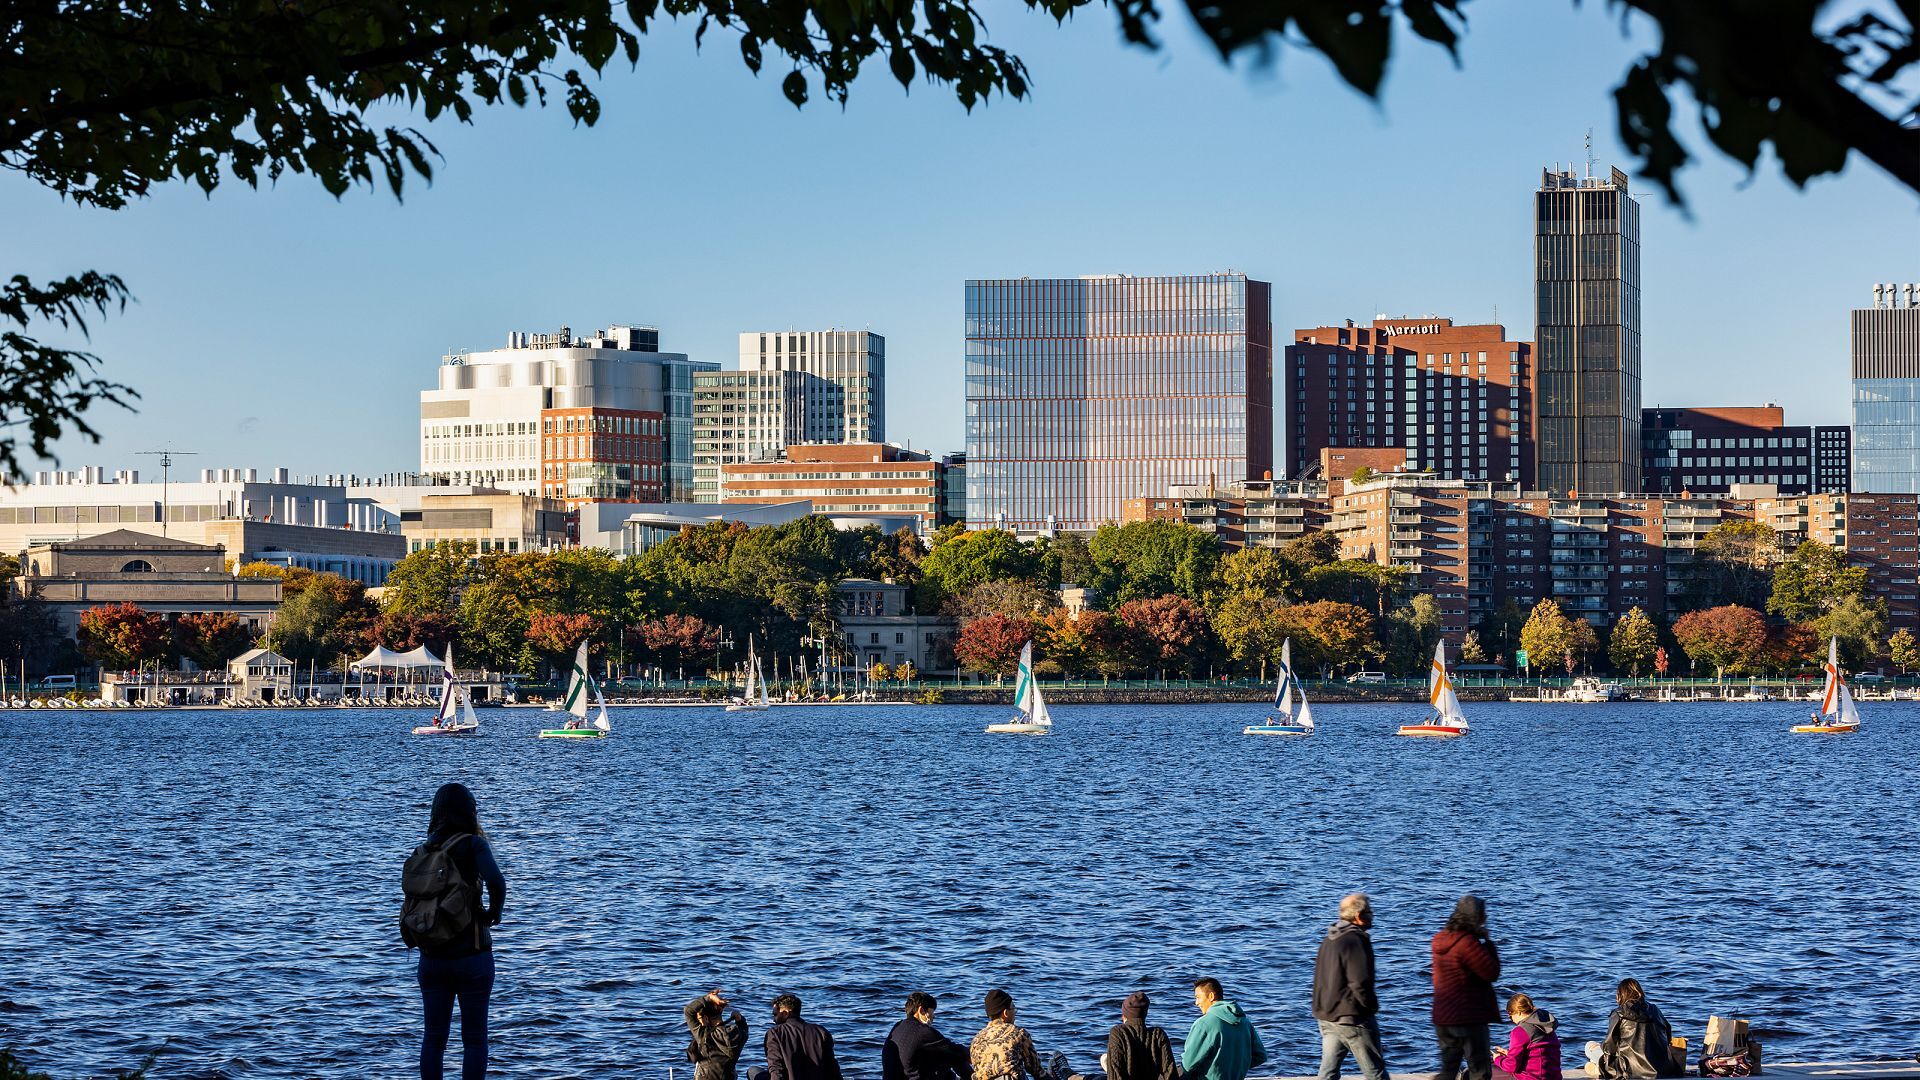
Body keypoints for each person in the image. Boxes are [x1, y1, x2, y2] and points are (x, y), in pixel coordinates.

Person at [413, 782, 506, 1080]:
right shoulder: (473, 844)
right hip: (472, 954)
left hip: (432, 956)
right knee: (475, 1039)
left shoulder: (426, 848)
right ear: (469, 811)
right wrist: (494, 914)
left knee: (433, 1040)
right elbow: (497, 882)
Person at [1312, 893, 1388, 1080]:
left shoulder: (1330, 939)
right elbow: (1359, 982)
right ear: (1358, 916)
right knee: (1375, 1072)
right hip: (1353, 1018)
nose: (1373, 915)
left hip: (1327, 1015)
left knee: (1328, 1073)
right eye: (1370, 911)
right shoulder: (1355, 940)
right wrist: (1371, 1008)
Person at [1431, 895, 1502, 1080]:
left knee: (1449, 1069)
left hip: (1443, 1017)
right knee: (1480, 1071)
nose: (1485, 918)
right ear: (1476, 917)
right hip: (1468, 1017)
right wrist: (1488, 943)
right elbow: (1491, 972)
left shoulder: (1440, 939)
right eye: (1483, 914)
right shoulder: (1467, 943)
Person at [1588, 980, 1681, 1079]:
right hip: (1662, 1068)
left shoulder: (1619, 1013)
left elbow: (1609, 1048)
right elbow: (1667, 1034)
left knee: (1589, 1046)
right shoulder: (1655, 1010)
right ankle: (1597, 1066)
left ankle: (1597, 1068)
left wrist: (1599, 1046)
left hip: (1629, 1070)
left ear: (1620, 995)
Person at [1181, 978, 1266, 1080]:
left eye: (1198, 997)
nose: (1196, 1003)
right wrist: (1236, 1067)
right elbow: (1261, 1056)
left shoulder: (1204, 1024)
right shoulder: (1245, 1022)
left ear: (1211, 996)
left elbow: (1188, 1064)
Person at [886, 992, 972, 1080]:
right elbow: (954, 1050)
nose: (933, 1016)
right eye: (932, 1011)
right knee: (954, 1056)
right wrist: (975, 1051)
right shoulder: (922, 1031)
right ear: (921, 1011)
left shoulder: (897, 1027)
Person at [971, 989, 1048, 1080]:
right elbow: (1035, 1069)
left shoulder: (977, 1039)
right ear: (1005, 1013)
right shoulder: (1018, 1033)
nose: (1015, 1012)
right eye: (1013, 1008)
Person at [765, 994, 844, 1080]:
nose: (773, 1019)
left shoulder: (775, 1033)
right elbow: (832, 1067)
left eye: (775, 1015)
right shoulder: (821, 1032)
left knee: (753, 1071)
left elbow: (776, 1067)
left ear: (785, 1013)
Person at [1104, 991, 1178, 1080]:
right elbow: (1170, 1073)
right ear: (1145, 1013)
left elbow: (1115, 1073)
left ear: (1124, 1016)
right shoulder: (1158, 1034)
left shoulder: (1118, 1032)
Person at [1492, 994, 1562, 1080]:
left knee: (1492, 1070)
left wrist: (1498, 1059)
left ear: (1519, 1012)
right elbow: (1537, 1053)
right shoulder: (1546, 1025)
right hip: (1554, 1077)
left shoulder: (1520, 1031)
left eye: (1510, 1015)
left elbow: (1511, 1066)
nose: (1511, 1019)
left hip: (1532, 1078)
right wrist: (1509, 1053)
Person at [687, 990, 751, 1080]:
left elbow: (688, 1011)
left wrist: (708, 998)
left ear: (706, 1018)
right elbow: (745, 1030)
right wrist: (740, 1020)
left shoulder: (703, 1034)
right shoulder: (737, 1033)